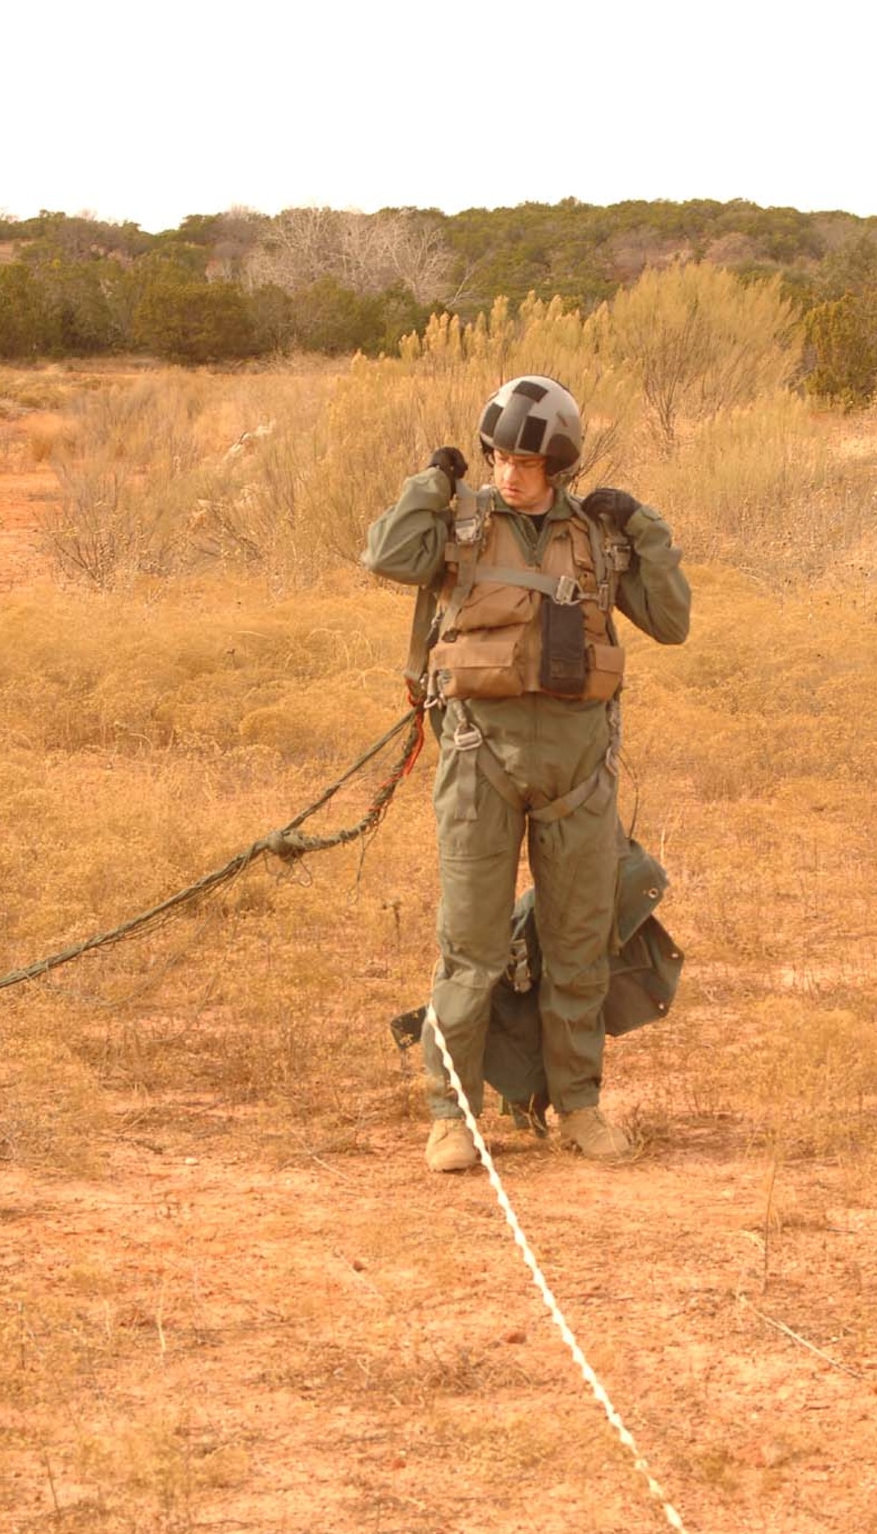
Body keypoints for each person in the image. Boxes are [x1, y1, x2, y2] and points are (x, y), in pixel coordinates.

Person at [363, 375, 690, 1172]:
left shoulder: (598, 539)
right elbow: (387, 556)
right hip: (481, 760)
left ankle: (576, 1106)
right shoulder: (461, 525)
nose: (510, 473)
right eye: (500, 457)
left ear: (562, 468)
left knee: (576, 944)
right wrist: (430, 482)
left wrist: (643, 527)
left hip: (579, 770)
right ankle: (452, 1114)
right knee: (469, 947)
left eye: (529, 463)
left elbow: (672, 621)